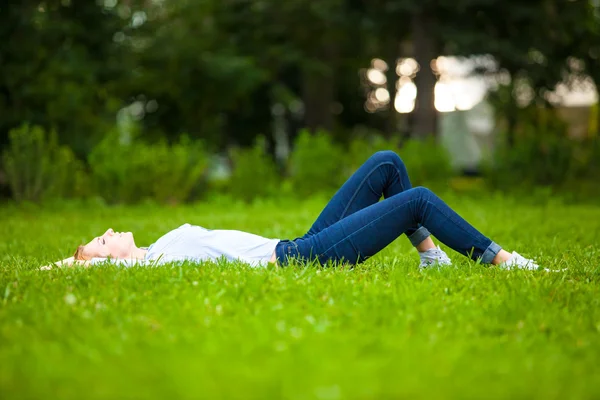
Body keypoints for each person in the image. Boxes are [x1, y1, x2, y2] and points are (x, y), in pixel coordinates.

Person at [41, 151, 539, 271]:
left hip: (300, 243)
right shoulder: (147, 268)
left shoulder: (154, 248)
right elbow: (75, 274)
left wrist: (91, 253)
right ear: (113, 264)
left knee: (387, 164)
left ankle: (431, 259)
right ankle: (504, 261)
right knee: (419, 199)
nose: (108, 231)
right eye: (103, 241)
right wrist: (72, 263)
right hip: (303, 259)